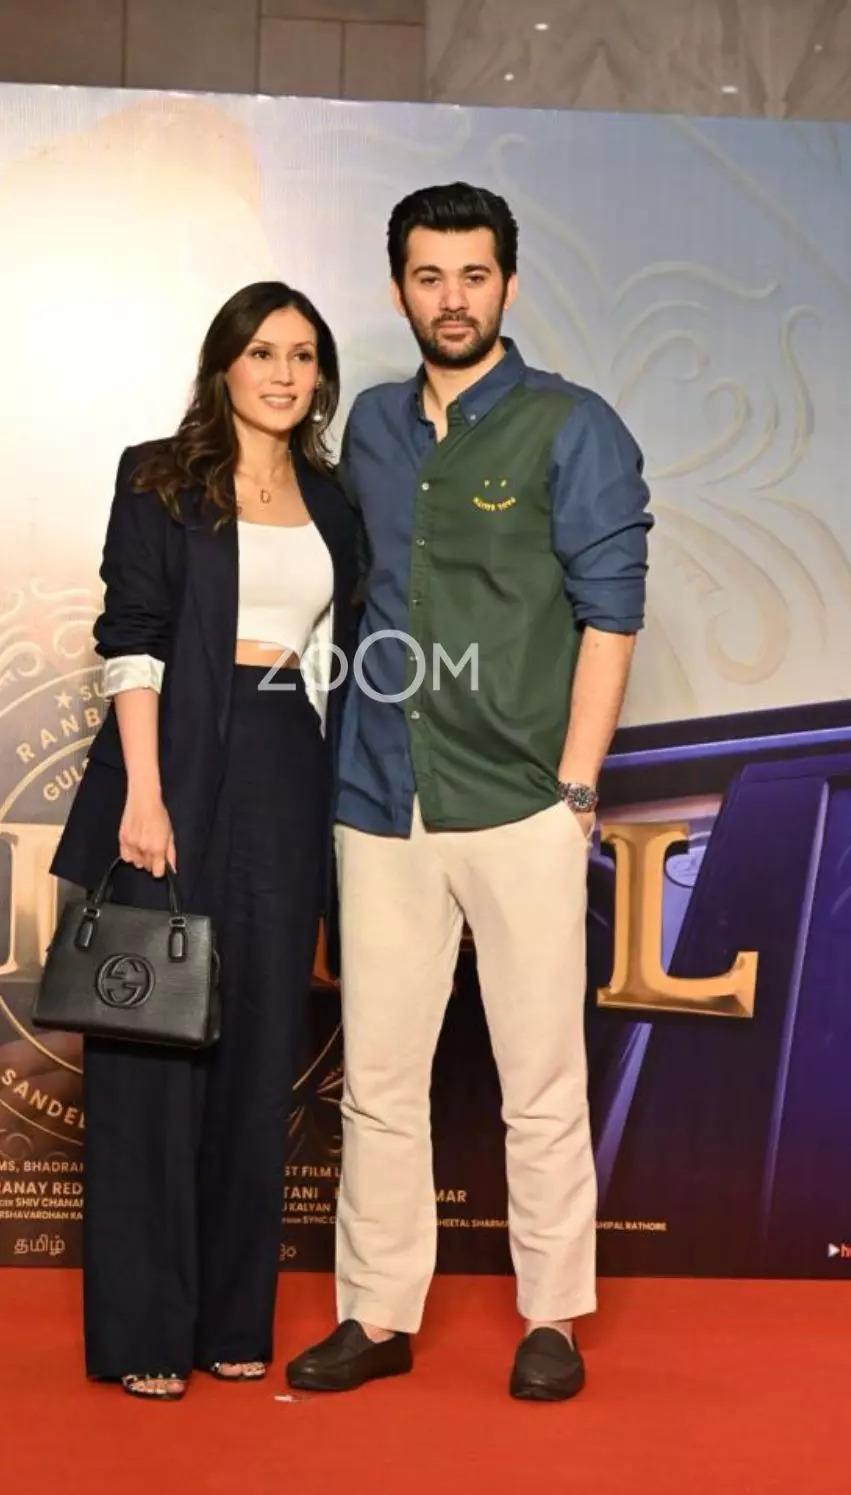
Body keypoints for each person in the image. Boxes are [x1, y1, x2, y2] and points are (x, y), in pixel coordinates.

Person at [286, 183, 652, 1402]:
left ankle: (551, 1317)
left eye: (475, 275)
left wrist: (579, 790)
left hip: (522, 804)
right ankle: (378, 1313)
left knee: (539, 1076)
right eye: (430, 277)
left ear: (508, 283)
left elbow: (613, 612)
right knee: (380, 1079)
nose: (454, 298)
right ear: (399, 288)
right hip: (381, 797)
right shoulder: (370, 435)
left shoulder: (572, 426)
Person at [51, 281, 360, 1400]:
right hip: (170, 757)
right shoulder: (160, 476)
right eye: (263, 351)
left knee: (260, 1047)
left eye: (304, 355)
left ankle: (234, 1317)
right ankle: (143, 1331)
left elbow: (338, 657)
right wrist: (145, 789)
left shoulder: (333, 500)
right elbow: (131, 635)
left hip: (286, 769)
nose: (285, 373)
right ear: (223, 363)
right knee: (149, 1048)